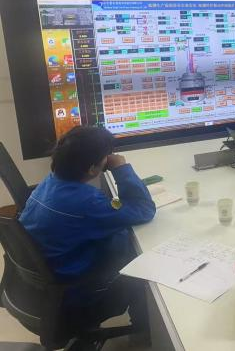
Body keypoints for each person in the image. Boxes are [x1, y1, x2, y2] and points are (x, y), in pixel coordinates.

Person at [18, 126, 156, 330]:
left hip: (40, 290)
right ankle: (145, 329)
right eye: (105, 156)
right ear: (92, 169)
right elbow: (144, 209)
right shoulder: (88, 203)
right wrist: (121, 168)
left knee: (119, 237)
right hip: (75, 299)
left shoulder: (49, 182)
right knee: (140, 259)